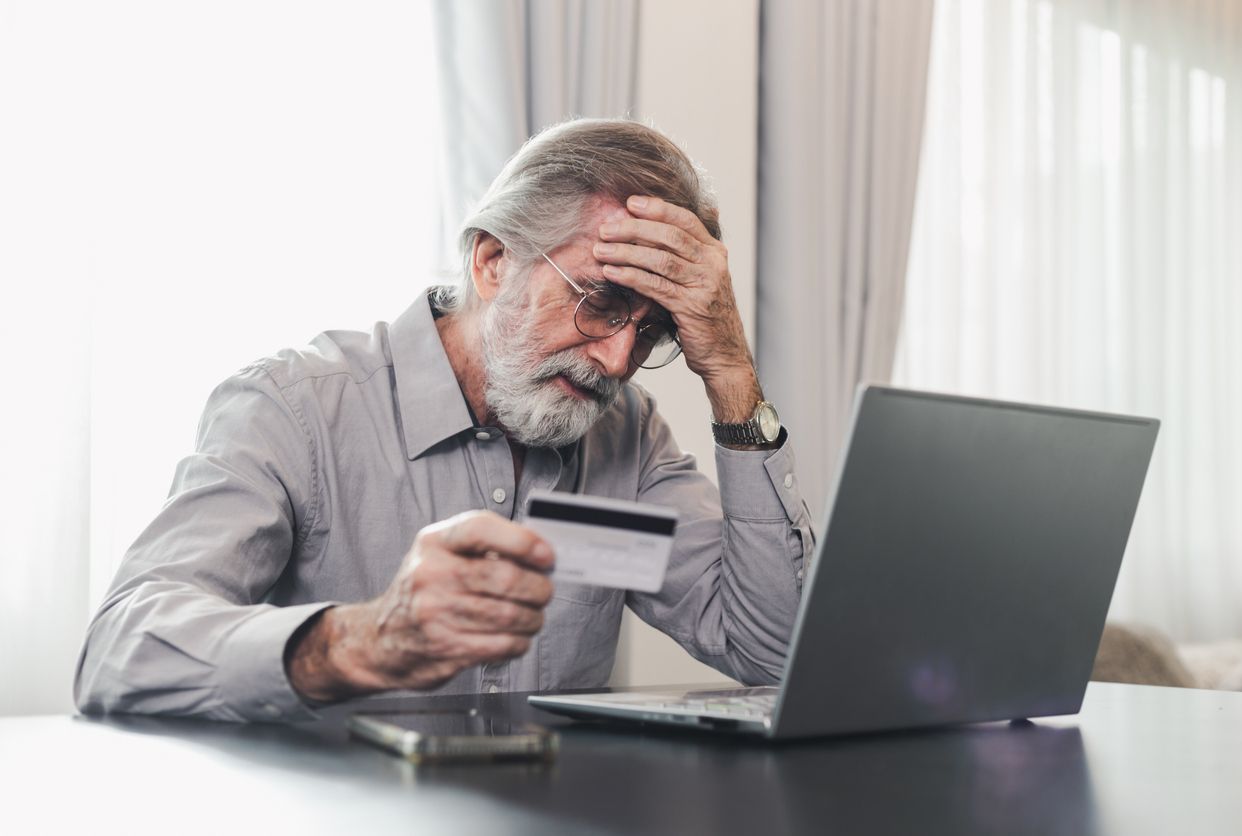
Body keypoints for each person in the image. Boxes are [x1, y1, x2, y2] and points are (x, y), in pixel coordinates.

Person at [74, 118, 814, 721]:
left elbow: (772, 653)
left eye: (653, 331)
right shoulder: (297, 410)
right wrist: (358, 641)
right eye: (600, 302)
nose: (619, 360)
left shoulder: (625, 437)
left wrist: (729, 372)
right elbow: (119, 649)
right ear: (493, 260)